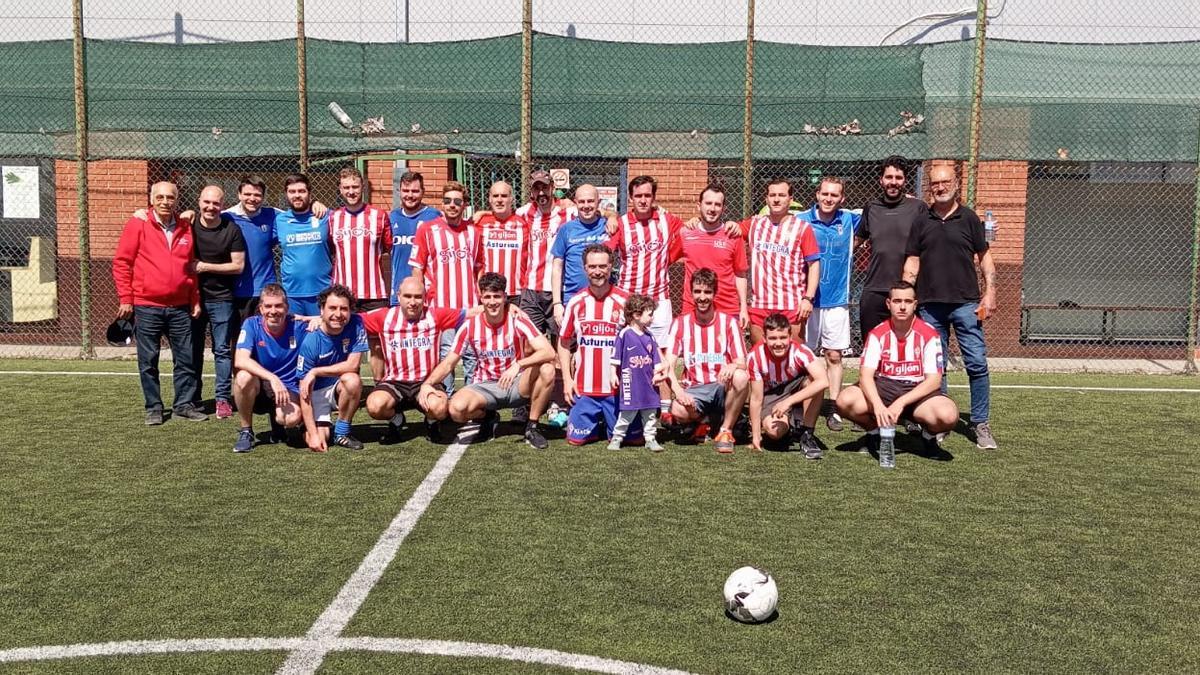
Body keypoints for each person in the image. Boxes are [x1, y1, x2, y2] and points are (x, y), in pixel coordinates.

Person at [902, 164, 999, 449]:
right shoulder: (921, 221)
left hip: (967, 304)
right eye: (935, 184)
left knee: (977, 363)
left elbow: (985, 258)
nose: (940, 187)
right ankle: (939, 422)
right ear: (929, 187)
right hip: (930, 306)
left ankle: (980, 423)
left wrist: (990, 293)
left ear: (956, 183)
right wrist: (907, 294)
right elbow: (912, 260)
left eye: (945, 182)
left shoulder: (969, 219)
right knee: (936, 367)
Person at [423, 273, 557, 449]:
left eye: (497, 296)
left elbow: (548, 351)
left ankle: (532, 427)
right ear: (481, 298)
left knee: (547, 369)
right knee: (456, 410)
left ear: (504, 297)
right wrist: (428, 383)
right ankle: (487, 416)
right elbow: (449, 362)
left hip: (516, 383)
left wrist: (518, 365)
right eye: (487, 297)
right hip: (484, 386)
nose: (492, 302)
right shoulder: (470, 326)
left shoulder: (517, 319)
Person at [112, 180, 206, 425]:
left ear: (177, 199)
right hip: (146, 306)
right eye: (160, 197)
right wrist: (126, 298)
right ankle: (154, 407)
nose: (165, 202)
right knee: (148, 360)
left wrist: (194, 299)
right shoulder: (138, 223)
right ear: (151, 198)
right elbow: (122, 262)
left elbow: (191, 268)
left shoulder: (186, 227)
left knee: (185, 359)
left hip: (180, 307)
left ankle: (183, 405)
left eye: (170, 197)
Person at [835, 281, 959, 454]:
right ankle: (874, 432)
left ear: (915, 305)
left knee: (947, 415)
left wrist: (901, 403)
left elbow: (934, 381)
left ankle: (928, 436)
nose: (902, 307)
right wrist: (877, 406)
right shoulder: (877, 333)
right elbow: (865, 376)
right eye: (897, 301)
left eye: (908, 302)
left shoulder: (929, 334)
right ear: (888, 304)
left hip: (917, 393)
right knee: (845, 400)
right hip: (884, 389)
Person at [606, 174, 685, 418]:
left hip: (659, 300)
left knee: (660, 354)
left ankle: (664, 410)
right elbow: (605, 254)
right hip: (629, 300)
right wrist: (608, 215)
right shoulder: (619, 223)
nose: (642, 200)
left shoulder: (666, 219)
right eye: (638, 196)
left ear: (654, 198)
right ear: (630, 198)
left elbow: (690, 230)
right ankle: (625, 404)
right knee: (625, 354)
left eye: (647, 195)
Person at [360, 277, 471, 444]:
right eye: (408, 296)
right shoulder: (384, 316)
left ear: (424, 297)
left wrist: (509, 307)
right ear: (398, 296)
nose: (413, 302)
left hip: (426, 382)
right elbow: (349, 320)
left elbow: (471, 313)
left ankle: (432, 423)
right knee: (375, 406)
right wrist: (317, 319)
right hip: (394, 382)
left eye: (418, 297)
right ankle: (397, 421)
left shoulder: (434, 315)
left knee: (440, 408)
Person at [223, 175, 327, 331]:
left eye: (257, 195)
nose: (252, 198)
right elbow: (206, 218)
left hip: (271, 290)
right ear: (239, 195)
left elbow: (299, 207)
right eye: (247, 194)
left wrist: (315, 203)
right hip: (239, 291)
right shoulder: (227, 217)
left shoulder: (275, 216)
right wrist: (189, 214)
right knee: (239, 339)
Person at [664, 268, 749, 454]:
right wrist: (678, 392)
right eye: (698, 291)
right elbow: (667, 365)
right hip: (695, 390)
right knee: (677, 410)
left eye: (707, 292)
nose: (702, 297)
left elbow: (742, 363)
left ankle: (725, 430)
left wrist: (733, 365)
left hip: (721, 387)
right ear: (691, 292)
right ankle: (707, 420)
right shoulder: (680, 323)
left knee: (741, 377)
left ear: (715, 293)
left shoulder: (729, 323)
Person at [410, 181, 483, 392]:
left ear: (465, 205)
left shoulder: (473, 232)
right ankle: (446, 401)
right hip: (440, 307)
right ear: (442, 204)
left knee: (471, 355)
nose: (452, 205)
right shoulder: (427, 229)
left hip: (469, 307)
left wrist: (479, 300)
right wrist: (422, 301)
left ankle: (473, 401)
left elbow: (479, 268)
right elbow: (418, 269)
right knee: (445, 356)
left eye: (457, 201)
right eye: (447, 201)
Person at [557, 244, 632, 446]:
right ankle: (593, 419)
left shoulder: (626, 301)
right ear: (584, 268)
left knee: (633, 440)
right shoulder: (576, 301)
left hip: (617, 392)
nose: (597, 271)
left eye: (602, 266)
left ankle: (608, 420)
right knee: (575, 440)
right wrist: (567, 380)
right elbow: (564, 342)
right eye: (592, 267)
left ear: (610, 267)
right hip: (584, 388)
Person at [802, 177, 860, 433]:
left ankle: (834, 406)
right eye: (824, 193)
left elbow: (881, 213)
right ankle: (801, 402)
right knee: (803, 357)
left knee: (834, 355)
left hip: (837, 301)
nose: (828, 198)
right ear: (816, 194)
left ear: (842, 199)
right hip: (807, 300)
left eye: (834, 195)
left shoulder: (849, 219)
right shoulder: (801, 220)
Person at [329, 166, 392, 381]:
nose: (351, 191)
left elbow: (387, 249)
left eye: (355, 187)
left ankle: (381, 386)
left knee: (377, 344)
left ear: (362, 187)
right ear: (340, 189)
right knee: (344, 343)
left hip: (375, 292)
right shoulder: (332, 218)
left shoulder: (379, 216)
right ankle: (348, 388)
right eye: (346, 187)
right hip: (344, 294)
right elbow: (331, 250)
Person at [231, 284, 311, 453]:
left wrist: (318, 318)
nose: (273, 311)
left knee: (290, 419)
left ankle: (278, 424)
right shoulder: (251, 324)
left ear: (287, 308)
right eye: (268, 306)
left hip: (289, 387)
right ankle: (246, 431)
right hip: (262, 386)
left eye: (278, 306)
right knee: (243, 377)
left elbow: (336, 320)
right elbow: (240, 359)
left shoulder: (299, 327)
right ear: (261, 308)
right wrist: (272, 378)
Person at [190, 185, 246, 420]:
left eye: (216, 203)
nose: (211, 207)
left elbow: (238, 266)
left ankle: (222, 399)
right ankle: (191, 399)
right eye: (207, 202)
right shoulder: (188, 225)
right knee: (191, 350)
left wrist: (204, 266)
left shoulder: (231, 229)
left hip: (221, 298)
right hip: (191, 297)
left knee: (222, 350)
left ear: (223, 205)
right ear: (199, 201)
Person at [854, 155, 928, 334]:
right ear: (881, 180)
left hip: (906, 291)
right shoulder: (871, 207)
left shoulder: (918, 207)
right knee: (871, 345)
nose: (893, 182)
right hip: (874, 289)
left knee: (905, 347)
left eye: (898, 178)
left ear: (905, 181)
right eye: (889, 177)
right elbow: (856, 241)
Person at [742, 178, 821, 345]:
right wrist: (697, 222)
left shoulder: (802, 228)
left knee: (794, 360)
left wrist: (808, 298)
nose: (776, 199)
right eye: (772, 195)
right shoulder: (754, 224)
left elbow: (814, 265)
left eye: (781, 195)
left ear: (790, 199)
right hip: (760, 303)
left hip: (792, 304)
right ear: (766, 199)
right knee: (760, 359)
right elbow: (725, 229)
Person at [296, 284, 369, 452]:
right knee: (320, 440)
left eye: (344, 309)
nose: (338, 314)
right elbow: (304, 391)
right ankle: (305, 425)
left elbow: (353, 365)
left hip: (337, 387)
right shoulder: (311, 341)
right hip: (315, 392)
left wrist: (316, 371)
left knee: (352, 380)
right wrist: (313, 434)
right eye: (332, 308)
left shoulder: (356, 323)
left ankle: (342, 433)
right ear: (321, 310)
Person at [747, 312, 829, 458]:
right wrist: (756, 436)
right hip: (771, 395)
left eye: (783, 337)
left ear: (790, 337)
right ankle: (793, 423)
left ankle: (807, 434)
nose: (778, 343)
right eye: (772, 338)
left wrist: (788, 401)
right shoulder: (755, 357)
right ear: (764, 338)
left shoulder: (801, 351)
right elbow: (756, 398)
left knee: (814, 381)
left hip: (794, 390)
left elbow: (823, 381)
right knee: (775, 432)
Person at [679, 183, 750, 330]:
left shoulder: (733, 235)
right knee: (693, 352)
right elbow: (664, 258)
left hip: (727, 308)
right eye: (708, 203)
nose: (712, 209)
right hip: (693, 308)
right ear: (699, 205)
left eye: (717, 205)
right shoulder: (685, 233)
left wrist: (743, 307)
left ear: (723, 208)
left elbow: (740, 273)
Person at [518, 169, 578, 339]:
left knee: (563, 343)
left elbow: (599, 213)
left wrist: (610, 216)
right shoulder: (524, 213)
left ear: (552, 188)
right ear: (532, 192)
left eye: (545, 188)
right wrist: (481, 214)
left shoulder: (568, 212)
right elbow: (501, 216)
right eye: (537, 189)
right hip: (531, 289)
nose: (541, 193)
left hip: (558, 289)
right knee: (531, 343)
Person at [608, 294, 665, 452]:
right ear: (636, 315)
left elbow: (656, 360)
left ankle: (650, 438)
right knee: (627, 413)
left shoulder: (650, 336)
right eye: (650, 314)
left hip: (648, 383)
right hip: (630, 381)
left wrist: (657, 373)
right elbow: (615, 358)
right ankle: (617, 438)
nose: (652, 318)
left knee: (650, 413)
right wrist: (613, 374)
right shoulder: (624, 334)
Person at [550, 184, 613, 325]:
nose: (586, 206)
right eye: (582, 201)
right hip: (573, 298)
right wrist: (557, 304)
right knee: (568, 344)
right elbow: (557, 267)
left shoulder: (609, 226)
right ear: (576, 203)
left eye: (590, 201)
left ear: (598, 202)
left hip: (604, 298)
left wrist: (612, 216)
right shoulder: (566, 229)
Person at [274, 173, 332, 317]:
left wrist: (316, 203)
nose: (297, 195)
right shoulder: (279, 220)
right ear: (286, 194)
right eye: (292, 192)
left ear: (310, 193)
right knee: (294, 337)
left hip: (323, 291)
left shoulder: (326, 217)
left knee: (322, 335)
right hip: (292, 294)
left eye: (301, 191)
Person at [387, 171, 441, 305]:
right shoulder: (392, 217)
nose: (410, 195)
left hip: (427, 295)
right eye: (406, 190)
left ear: (423, 192)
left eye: (415, 191)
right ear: (399, 191)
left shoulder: (434, 216)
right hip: (399, 294)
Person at [477, 180, 527, 301]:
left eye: (504, 196)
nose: (499, 200)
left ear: (512, 199)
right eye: (495, 196)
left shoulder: (524, 223)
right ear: (490, 199)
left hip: (517, 293)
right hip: (488, 293)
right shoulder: (478, 223)